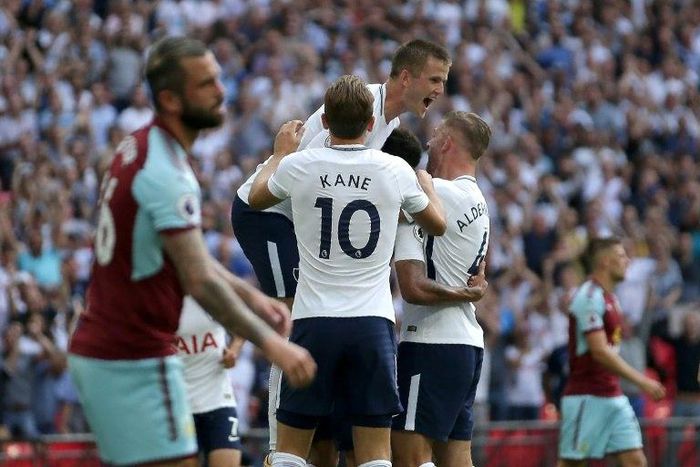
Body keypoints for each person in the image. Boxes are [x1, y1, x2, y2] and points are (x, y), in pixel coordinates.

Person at [67, 36, 316, 467]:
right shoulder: (167, 173)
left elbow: (192, 256)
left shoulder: (141, 146)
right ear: (170, 99)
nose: (222, 91)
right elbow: (197, 278)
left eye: (219, 78)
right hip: (132, 356)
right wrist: (273, 345)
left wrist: (255, 298)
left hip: (113, 352)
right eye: (206, 84)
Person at [230, 38, 451, 463]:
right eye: (436, 79)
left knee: (312, 315)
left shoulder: (383, 118)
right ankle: (281, 439)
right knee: (291, 312)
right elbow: (311, 174)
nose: (440, 89)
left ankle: (311, 426)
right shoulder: (365, 105)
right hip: (266, 215)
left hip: (294, 219)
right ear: (407, 76)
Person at [390, 111, 492, 467]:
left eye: (434, 137)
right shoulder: (478, 200)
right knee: (456, 459)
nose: (428, 144)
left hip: (432, 343)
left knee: (409, 457)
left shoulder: (438, 193)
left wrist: (418, 178)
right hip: (467, 346)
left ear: (447, 142)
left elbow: (413, 288)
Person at [558, 237, 666, 467]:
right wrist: (643, 381)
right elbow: (599, 352)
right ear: (605, 262)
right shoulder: (588, 297)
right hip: (586, 396)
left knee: (636, 461)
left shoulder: (612, 299)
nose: (628, 261)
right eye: (622, 256)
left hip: (612, 395)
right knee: (572, 464)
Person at [176, 296, 246, 467]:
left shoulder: (208, 292)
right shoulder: (159, 299)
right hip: (179, 403)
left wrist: (234, 351)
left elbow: (243, 324)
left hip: (218, 398)